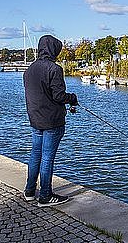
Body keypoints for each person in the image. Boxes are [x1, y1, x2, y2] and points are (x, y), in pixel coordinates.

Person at [24, 35, 78, 207]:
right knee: (47, 157)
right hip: (52, 121)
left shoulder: (29, 69)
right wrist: (72, 98)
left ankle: (30, 191)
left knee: (35, 155)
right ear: (54, 49)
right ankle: (45, 196)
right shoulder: (54, 69)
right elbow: (59, 96)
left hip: (35, 119)